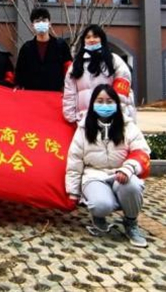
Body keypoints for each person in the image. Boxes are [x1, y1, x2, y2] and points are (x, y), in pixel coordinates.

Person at [65, 84, 151, 247]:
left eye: (109, 101)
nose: (104, 105)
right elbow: (75, 161)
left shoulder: (128, 126)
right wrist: (73, 193)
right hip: (94, 175)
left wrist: (128, 168)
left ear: (116, 104)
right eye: (100, 101)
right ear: (92, 104)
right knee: (101, 205)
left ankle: (131, 223)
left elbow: (142, 152)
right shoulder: (83, 128)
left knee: (132, 186)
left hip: (122, 173)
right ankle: (99, 215)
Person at [63, 24, 135, 124]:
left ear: (102, 39)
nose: (92, 40)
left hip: (113, 119)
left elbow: (122, 89)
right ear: (84, 41)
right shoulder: (76, 65)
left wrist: (117, 112)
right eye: (88, 37)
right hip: (84, 120)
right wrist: (71, 117)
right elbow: (69, 93)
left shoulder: (114, 60)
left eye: (95, 36)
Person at [15, 7, 72, 91]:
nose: (41, 23)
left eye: (44, 20)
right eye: (37, 21)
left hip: (55, 93)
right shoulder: (26, 48)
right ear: (32, 26)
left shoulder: (61, 45)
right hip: (32, 93)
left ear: (49, 24)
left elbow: (69, 69)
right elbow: (19, 73)